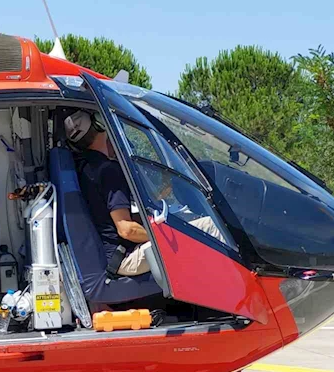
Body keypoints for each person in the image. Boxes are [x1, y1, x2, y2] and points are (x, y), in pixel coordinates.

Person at [64, 109, 226, 278]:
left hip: (115, 253)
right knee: (209, 226)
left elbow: (107, 219)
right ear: (99, 125)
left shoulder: (85, 169)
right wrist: (165, 235)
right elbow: (126, 230)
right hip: (125, 258)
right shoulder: (108, 170)